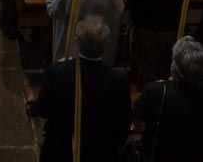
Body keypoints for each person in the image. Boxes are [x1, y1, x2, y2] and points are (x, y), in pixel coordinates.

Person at [29, 16, 131, 161]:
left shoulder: (57, 72)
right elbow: (124, 123)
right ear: (106, 43)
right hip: (101, 152)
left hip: (61, 150)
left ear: (76, 42)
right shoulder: (119, 79)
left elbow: (41, 109)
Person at [133, 37, 203, 162]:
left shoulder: (155, 91)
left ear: (173, 67)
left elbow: (138, 112)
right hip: (196, 156)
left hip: (159, 156)